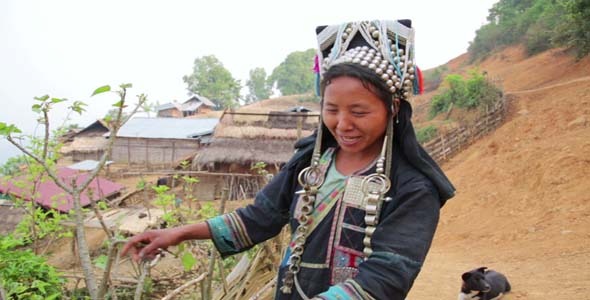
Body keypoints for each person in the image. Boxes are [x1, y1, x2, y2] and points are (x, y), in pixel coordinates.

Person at [122, 19, 455, 300]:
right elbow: (260, 217)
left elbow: (388, 274)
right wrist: (178, 233)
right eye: (331, 110)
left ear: (392, 109)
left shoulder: (413, 188)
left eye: (359, 112)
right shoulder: (309, 165)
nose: (342, 124)